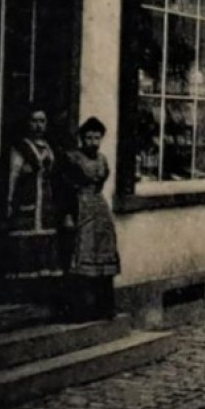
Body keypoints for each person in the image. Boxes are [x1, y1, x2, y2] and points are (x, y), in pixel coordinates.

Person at [57, 117, 120, 321]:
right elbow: (65, 189)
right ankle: (79, 310)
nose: (93, 142)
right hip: (79, 207)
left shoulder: (102, 160)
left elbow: (100, 184)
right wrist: (68, 214)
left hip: (100, 210)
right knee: (81, 257)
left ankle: (104, 307)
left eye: (97, 138)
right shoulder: (72, 159)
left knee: (103, 256)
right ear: (82, 138)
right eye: (89, 137)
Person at [6, 107, 55, 233]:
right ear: (28, 123)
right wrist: (10, 201)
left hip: (45, 202)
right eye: (34, 121)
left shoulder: (49, 148)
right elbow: (13, 175)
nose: (38, 125)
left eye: (42, 121)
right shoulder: (22, 147)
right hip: (26, 199)